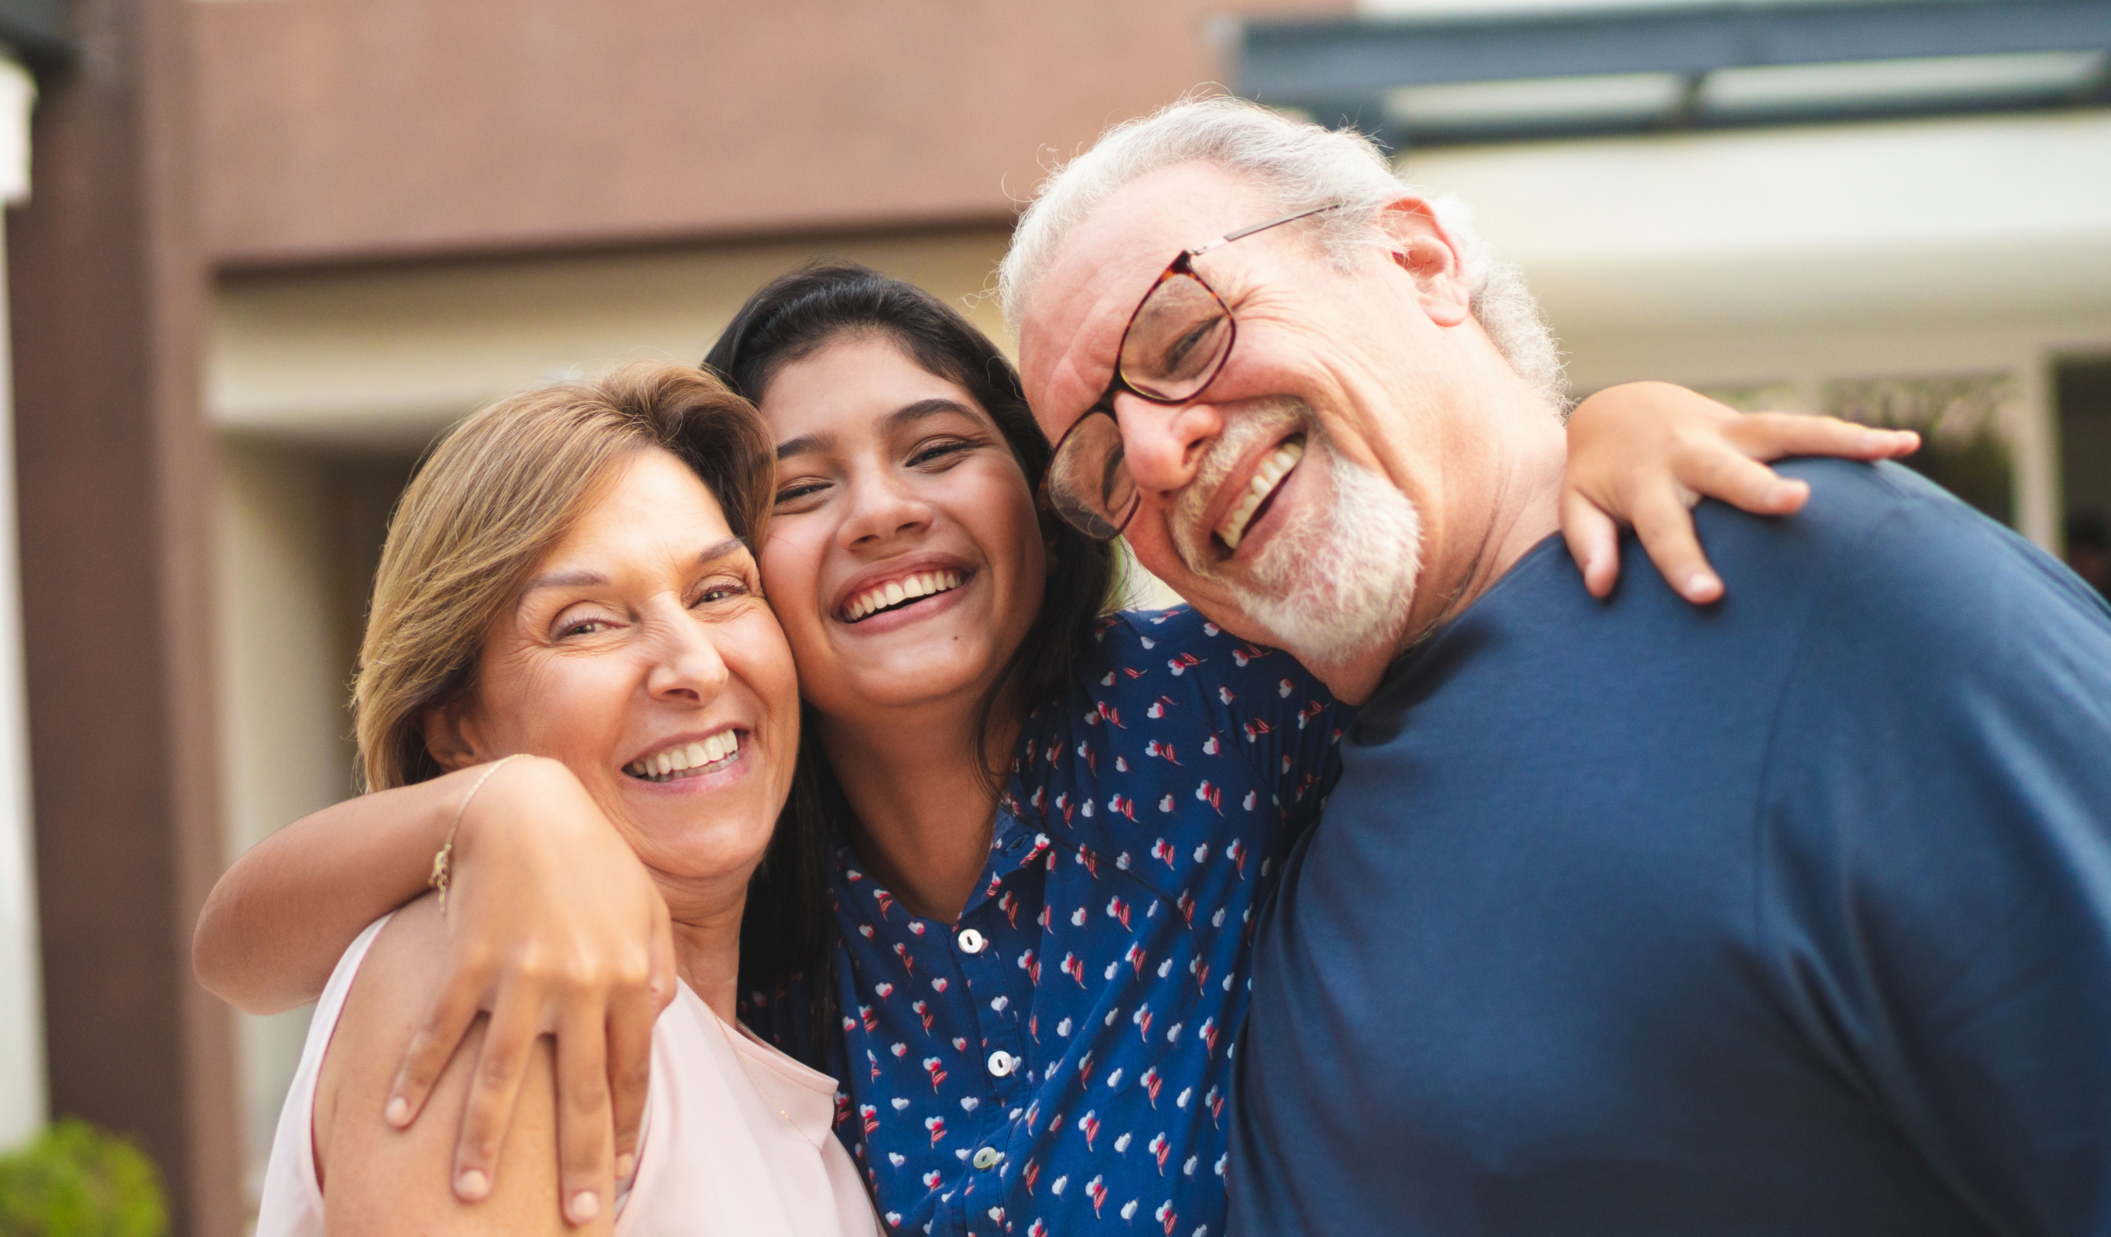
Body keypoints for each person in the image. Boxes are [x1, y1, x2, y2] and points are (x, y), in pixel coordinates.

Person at [196, 264, 1910, 1235]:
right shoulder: (692, 932)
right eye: (795, 493)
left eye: (940, 447)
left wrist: (1595, 429)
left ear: (1041, 497)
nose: (880, 515)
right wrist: (493, 808)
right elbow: (247, 946)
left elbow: (1459, 582)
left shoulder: (1225, 699)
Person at [1002, 96, 2111, 1235]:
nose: (1155, 448)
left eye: (1185, 339)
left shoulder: (1829, 590)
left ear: (1420, 260)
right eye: (1098, 469)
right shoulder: (1252, 778)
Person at [253, 363, 880, 1236]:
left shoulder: (763, 1073)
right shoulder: (489, 960)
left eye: (721, 591)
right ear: (457, 727)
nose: (695, 665)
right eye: (586, 623)